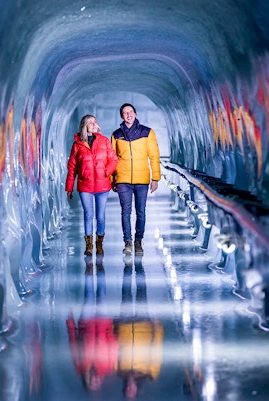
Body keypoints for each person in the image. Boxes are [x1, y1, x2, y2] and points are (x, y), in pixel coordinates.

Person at [111, 103, 161, 255]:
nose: (128, 115)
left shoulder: (147, 132)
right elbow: (112, 158)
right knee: (125, 211)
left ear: (135, 113)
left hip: (142, 179)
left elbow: (154, 156)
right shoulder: (116, 135)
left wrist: (156, 178)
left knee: (141, 212)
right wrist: (112, 178)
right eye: (125, 113)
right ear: (122, 116)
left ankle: (138, 240)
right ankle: (127, 242)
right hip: (123, 179)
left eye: (131, 111)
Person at [66, 115, 118, 256]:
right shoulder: (77, 145)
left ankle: (99, 244)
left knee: (100, 215)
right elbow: (72, 167)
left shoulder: (104, 141)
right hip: (85, 186)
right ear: (85, 126)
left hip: (102, 185)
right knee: (88, 215)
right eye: (91, 123)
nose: (95, 124)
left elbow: (113, 159)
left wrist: (106, 171)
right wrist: (69, 187)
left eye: (95, 122)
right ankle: (89, 246)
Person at [115, 257, 164, 399]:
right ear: (137, 390)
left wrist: (114, 327)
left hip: (124, 325)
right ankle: (139, 266)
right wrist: (158, 329)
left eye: (127, 390)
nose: (130, 387)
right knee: (142, 292)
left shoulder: (119, 371)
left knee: (125, 292)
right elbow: (157, 351)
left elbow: (113, 349)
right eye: (132, 391)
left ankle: (129, 265)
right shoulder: (150, 373)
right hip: (144, 328)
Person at [66, 256, 118, 391]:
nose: (95, 379)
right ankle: (100, 268)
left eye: (91, 382)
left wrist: (70, 322)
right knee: (101, 295)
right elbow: (114, 346)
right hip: (104, 323)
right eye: (96, 383)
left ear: (85, 380)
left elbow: (73, 342)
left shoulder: (79, 365)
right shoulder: (108, 368)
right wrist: (113, 330)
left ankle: (89, 270)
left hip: (86, 323)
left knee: (89, 295)